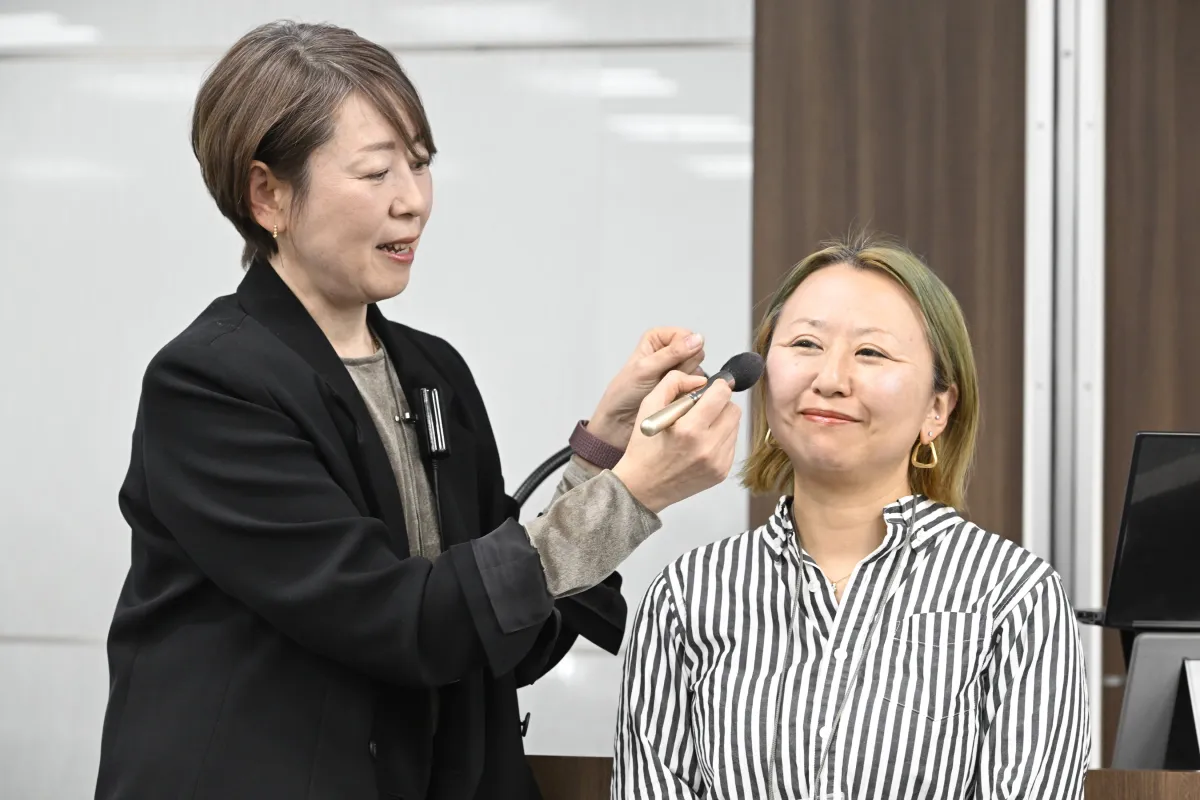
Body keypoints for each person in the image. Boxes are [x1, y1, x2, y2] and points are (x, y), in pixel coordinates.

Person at [93, 20, 742, 800]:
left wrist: (602, 454)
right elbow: (400, 620)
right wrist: (629, 495)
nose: (413, 202)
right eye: (375, 173)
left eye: (421, 163)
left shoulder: (434, 373)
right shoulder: (209, 385)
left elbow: (501, 633)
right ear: (268, 194)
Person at [612, 234, 1092, 799]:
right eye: (805, 344)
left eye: (871, 353)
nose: (830, 379)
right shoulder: (687, 596)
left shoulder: (1015, 597)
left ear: (937, 409)